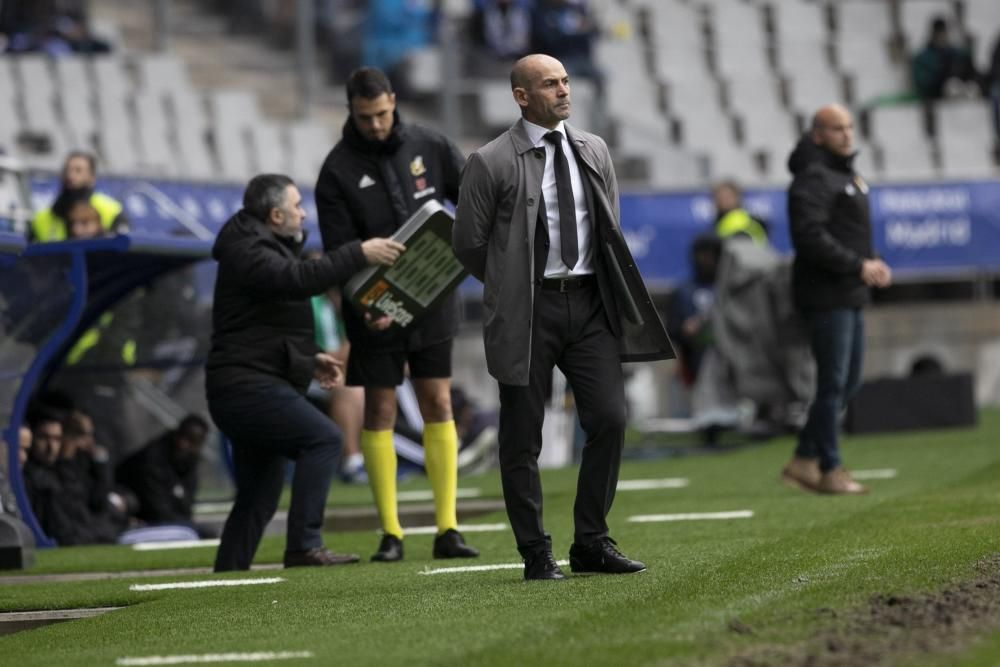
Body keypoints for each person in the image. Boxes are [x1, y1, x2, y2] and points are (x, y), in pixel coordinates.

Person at [453, 54, 674, 580]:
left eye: (566, 81)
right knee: (522, 436)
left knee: (610, 420)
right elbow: (466, 244)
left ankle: (591, 543)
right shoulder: (490, 160)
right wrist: (510, 286)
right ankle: (535, 551)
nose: (563, 91)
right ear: (521, 96)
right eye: (550, 84)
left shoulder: (594, 148)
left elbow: (609, 223)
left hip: (590, 304)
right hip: (529, 308)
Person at [315, 67, 479, 563]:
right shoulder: (336, 171)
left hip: (431, 296)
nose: (377, 125)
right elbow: (340, 252)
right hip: (374, 307)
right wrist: (366, 303)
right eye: (366, 118)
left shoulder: (430, 144)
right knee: (380, 409)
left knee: (438, 401)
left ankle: (448, 528)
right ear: (352, 111)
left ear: (393, 101)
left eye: (383, 114)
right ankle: (392, 532)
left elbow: (471, 198)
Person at [206, 173, 404, 571]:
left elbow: (262, 327)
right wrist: (358, 253)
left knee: (259, 492)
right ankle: (303, 546)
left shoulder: (258, 244)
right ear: (276, 214)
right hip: (246, 388)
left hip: (248, 382)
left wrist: (310, 357)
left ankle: (228, 570)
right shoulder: (250, 249)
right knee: (324, 440)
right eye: (297, 206)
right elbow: (298, 280)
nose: (302, 213)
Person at [782, 104, 892, 495]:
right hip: (826, 294)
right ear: (818, 135)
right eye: (836, 128)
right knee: (833, 385)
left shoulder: (844, 174)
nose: (847, 134)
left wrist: (871, 261)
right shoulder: (813, 177)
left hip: (848, 290)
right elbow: (809, 237)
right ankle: (830, 467)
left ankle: (802, 458)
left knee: (847, 384)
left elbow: (845, 231)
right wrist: (857, 264)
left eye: (849, 127)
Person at [116, 415, 209, 528]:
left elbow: (187, 502)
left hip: (163, 515)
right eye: (185, 439)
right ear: (177, 436)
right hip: (136, 510)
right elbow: (156, 507)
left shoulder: (188, 462)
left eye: (195, 443)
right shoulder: (152, 460)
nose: (184, 445)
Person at [29, 151, 127, 242]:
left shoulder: (112, 210)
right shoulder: (42, 218)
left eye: (78, 170)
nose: (70, 176)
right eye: (67, 170)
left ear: (92, 177)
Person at [911, 17, 978, 102]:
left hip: (960, 88)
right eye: (939, 34)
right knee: (953, 87)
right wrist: (939, 74)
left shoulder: (955, 53)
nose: (942, 37)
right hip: (936, 95)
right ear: (933, 34)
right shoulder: (923, 58)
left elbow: (969, 68)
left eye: (944, 33)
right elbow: (923, 84)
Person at [711, 180, 768, 245]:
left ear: (737, 197)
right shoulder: (717, 223)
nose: (724, 200)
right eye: (720, 197)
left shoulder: (746, 221)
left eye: (728, 196)